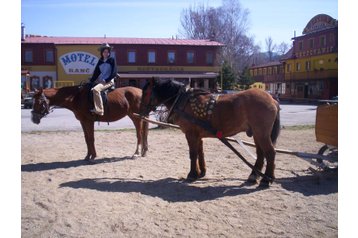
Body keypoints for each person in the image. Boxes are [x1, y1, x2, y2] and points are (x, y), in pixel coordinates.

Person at [89, 43, 117, 116]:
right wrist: (90, 81)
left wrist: (106, 80)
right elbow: (96, 73)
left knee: (95, 90)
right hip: (101, 81)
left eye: (107, 52)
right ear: (102, 52)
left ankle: (99, 110)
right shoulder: (100, 61)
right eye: (104, 52)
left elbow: (114, 72)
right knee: (89, 88)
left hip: (109, 81)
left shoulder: (112, 60)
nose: (106, 53)